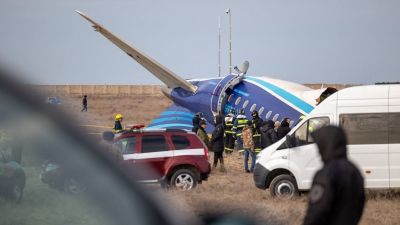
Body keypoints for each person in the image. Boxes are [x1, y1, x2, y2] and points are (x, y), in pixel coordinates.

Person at [303, 126, 365, 225]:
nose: (318, 151)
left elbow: (317, 211)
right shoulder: (354, 170)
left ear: (326, 145)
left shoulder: (326, 174)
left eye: (320, 146)